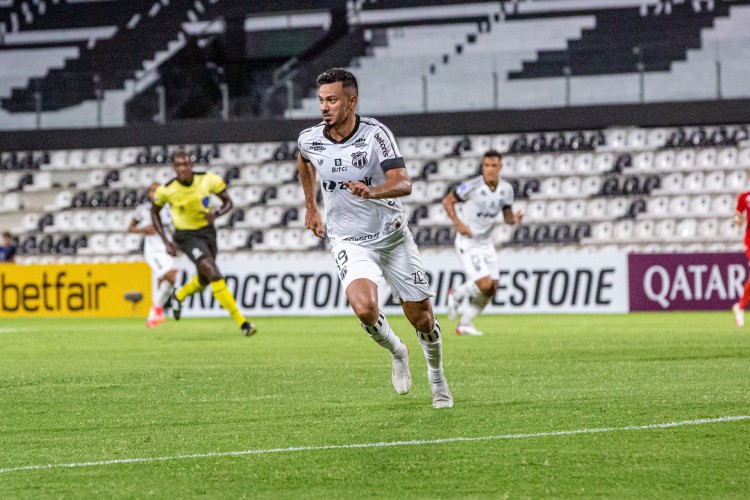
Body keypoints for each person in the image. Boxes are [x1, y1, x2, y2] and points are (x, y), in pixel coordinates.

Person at [297, 67, 452, 409]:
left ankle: (437, 375)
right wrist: (311, 206)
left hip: (391, 237)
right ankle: (398, 351)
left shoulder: (376, 135)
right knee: (364, 308)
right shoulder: (310, 139)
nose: (325, 107)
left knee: (422, 319)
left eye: (332, 100)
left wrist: (371, 192)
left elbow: (404, 183)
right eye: (321, 100)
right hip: (348, 239)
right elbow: (304, 160)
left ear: (351, 101)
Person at [151, 151, 257, 337]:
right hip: (185, 236)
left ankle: (179, 295)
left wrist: (216, 214)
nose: (183, 168)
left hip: (207, 233)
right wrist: (166, 242)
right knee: (214, 273)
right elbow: (154, 213)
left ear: (191, 165)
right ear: (174, 168)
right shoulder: (167, 190)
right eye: (179, 165)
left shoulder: (208, 180)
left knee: (204, 279)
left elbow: (228, 202)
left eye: (186, 164)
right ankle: (243, 323)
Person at [443, 150, 524, 336]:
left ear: (500, 167)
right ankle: (456, 294)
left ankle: (464, 323)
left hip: (486, 243)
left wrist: (515, 219)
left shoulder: (506, 190)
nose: (490, 169)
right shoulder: (472, 186)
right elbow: (447, 201)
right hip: (468, 241)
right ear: (483, 166)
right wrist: (459, 224)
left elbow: (507, 217)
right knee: (485, 285)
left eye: (494, 166)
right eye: (486, 165)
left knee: (492, 288)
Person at [129, 182, 179, 328]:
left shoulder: (170, 208)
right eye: (152, 191)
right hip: (152, 251)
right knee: (170, 277)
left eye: (157, 191)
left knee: (165, 282)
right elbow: (131, 228)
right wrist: (143, 230)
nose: (154, 193)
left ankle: (152, 317)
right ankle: (158, 309)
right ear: (149, 193)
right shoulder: (143, 209)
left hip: (166, 249)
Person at [732, 189, 750, 327]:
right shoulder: (744, 196)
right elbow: (737, 216)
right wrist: (738, 220)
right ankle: (741, 306)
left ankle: (741, 306)